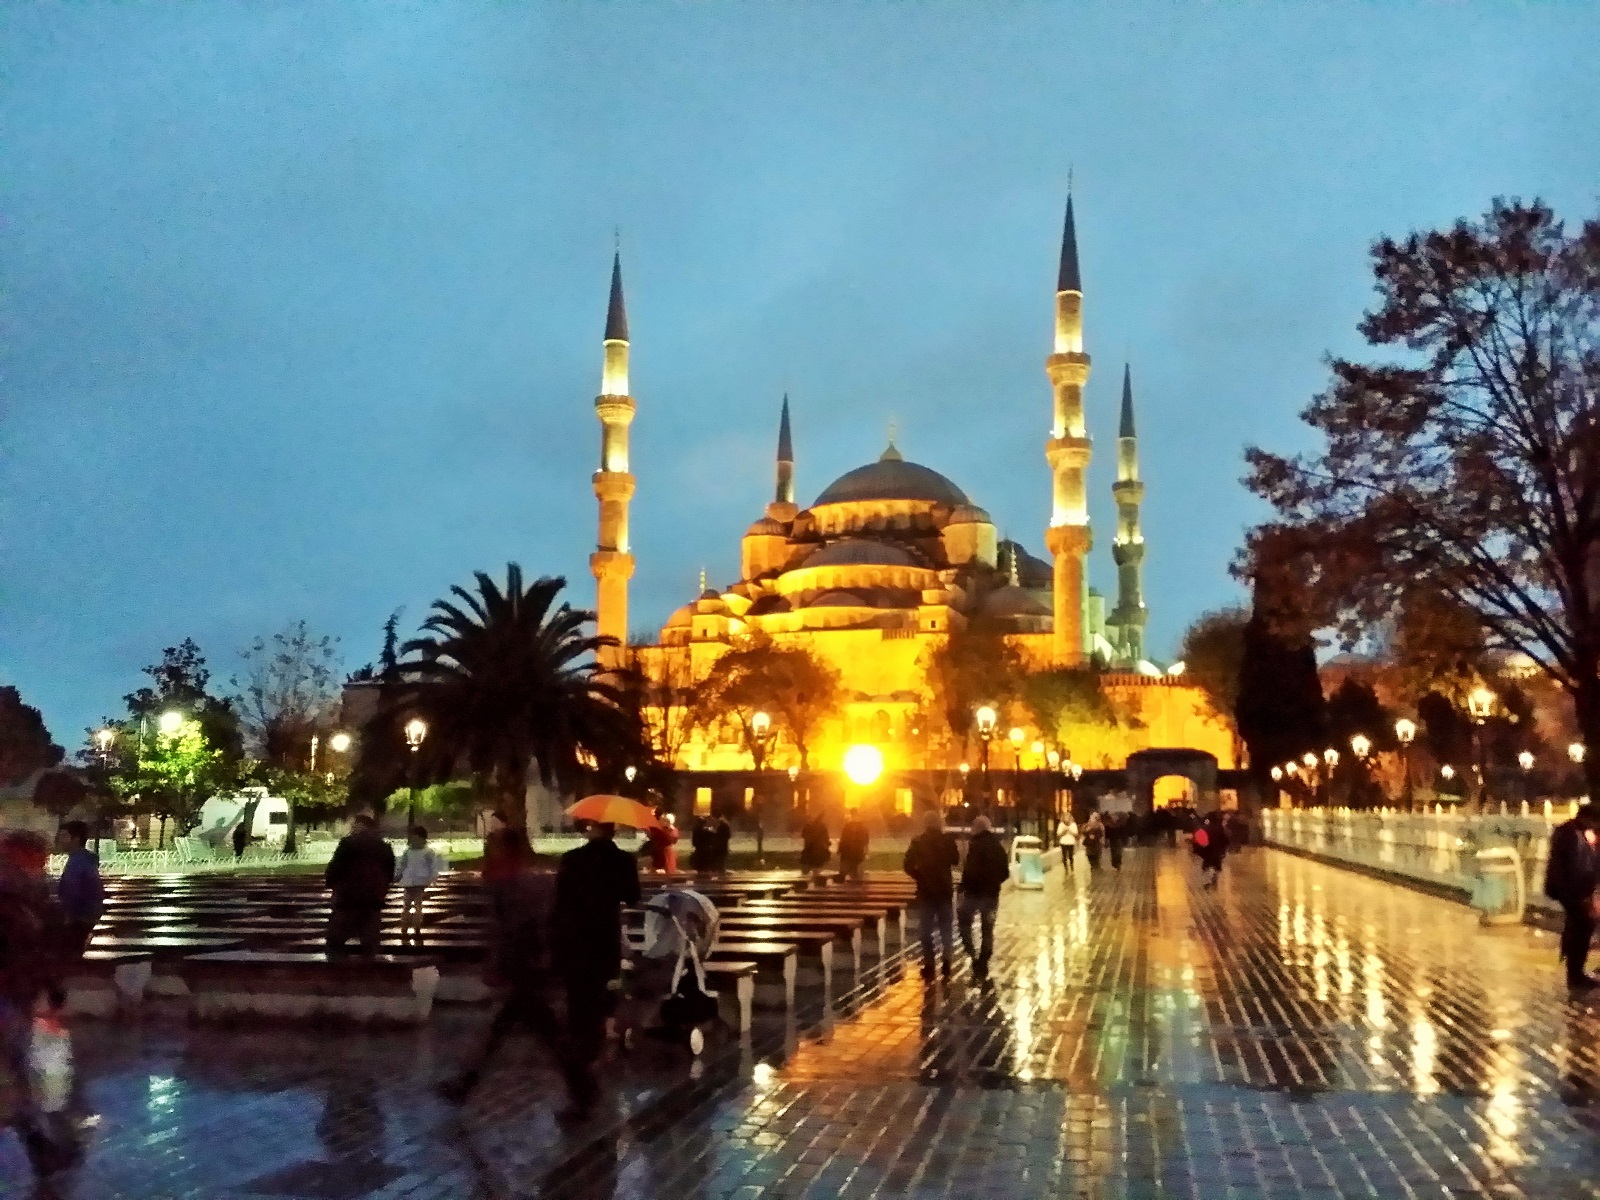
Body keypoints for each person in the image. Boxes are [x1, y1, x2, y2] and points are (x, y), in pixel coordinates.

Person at [552, 822, 641, 1121]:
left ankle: (581, 1051)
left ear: (592, 830)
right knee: (604, 991)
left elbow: (560, 898)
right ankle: (597, 1043)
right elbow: (633, 896)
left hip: (576, 939)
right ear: (613, 832)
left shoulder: (572, 859)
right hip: (605, 939)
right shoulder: (624, 860)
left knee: (578, 999)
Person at [1, 829, 72, 1179]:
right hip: (11, 994)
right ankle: (38, 1144)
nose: (43, 868)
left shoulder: (30, 900)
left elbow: (40, 949)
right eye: (38, 861)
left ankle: (38, 1144)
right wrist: (51, 984)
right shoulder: (20, 901)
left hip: (16, 994)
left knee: (16, 1071)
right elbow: (36, 949)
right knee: (17, 1071)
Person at [1544, 801, 1600, 990]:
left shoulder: (1580, 832)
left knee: (1583, 927)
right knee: (1580, 927)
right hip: (1569, 890)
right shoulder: (1567, 833)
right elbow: (1564, 867)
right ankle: (1575, 975)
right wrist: (1573, 895)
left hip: (1579, 890)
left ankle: (1576, 973)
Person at [324, 814, 396, 955]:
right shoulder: (383, 846)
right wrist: (383, 889)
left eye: (354, 825)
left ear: (360, 826)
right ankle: (370, 964)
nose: (351, 828)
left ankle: (335, 964)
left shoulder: (348, 844)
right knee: (370, 937)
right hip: (373, 896)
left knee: (336, 938)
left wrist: (331, 883)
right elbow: (389, 870)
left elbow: (336, 867)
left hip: (348, 896)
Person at [902, 810, 960, 982]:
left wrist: (918, 875)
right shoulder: (947, 840)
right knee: (946, 929)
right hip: (944, 891)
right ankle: (946, 961)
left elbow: (907, 864)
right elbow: (956, 860)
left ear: (925, 823)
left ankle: (929, 963)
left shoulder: (918, 841)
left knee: (925, 931)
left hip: (926, 891)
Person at [956, 815, 1009, 978]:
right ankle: (984, 960)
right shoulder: (998, 847)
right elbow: (1005, 872)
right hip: (991, 895)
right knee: (988, 929)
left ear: (976, 828)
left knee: (964, 922)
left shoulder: (975, 845)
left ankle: (972, 953)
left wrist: (963, 887)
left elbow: (969, 870)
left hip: (973, 894)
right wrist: (994, 883)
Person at [56, 820, 104, 958]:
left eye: (64, 836)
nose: (60, 840)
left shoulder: (77, 863)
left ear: (76, 839)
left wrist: (68, 915)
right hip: (88, 917)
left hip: (80, 920)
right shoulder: (84, 860)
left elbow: (72, 892)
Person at [394, 825, 447, 936]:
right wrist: (433, 877)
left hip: (413, 881)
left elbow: (431, 866)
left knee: (410, 905)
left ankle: (409, 926)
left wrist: (398, 875)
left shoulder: (412, 851)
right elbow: (403, 864)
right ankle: (413, 926)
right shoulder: (423, 851)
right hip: (416, 880)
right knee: (414, 905)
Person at [1193, 811, 1230, 890]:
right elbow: (1225, 839)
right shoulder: (1220, 828)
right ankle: (1214, 880)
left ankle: (1207, 881)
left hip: (1207, 849)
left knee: (1207, 864)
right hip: (1217, 850)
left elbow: (1199, 839)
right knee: (1216, 865)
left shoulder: (1205, 828)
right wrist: (1224, 849)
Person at [837, 812, 870, 882]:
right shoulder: (863, 828)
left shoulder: (847, 826)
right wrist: (866, 852)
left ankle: (849, 885)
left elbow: (843, 840)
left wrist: (839, 850)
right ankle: (856, 884)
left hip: (847, 853)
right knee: (857, 874)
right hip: (858, 853)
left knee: (845, 873)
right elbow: (866, 841)